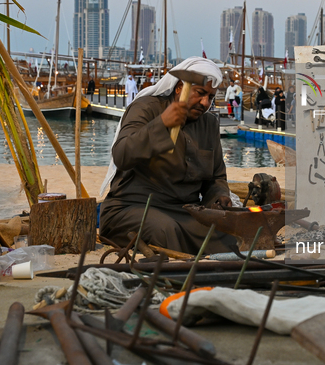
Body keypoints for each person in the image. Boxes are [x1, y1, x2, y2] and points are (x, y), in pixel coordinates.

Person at [99, 57, 234, 254]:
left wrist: (219, 197)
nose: (205, 103)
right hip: (132, 208)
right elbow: (121, 155)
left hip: (186, 212)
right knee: (166, 231)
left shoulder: (209, 124)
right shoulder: (146, 108)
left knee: (233, 235)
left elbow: (215, 177)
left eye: (211, 97)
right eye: (200, 93)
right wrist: (162, 123)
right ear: (180, 87)